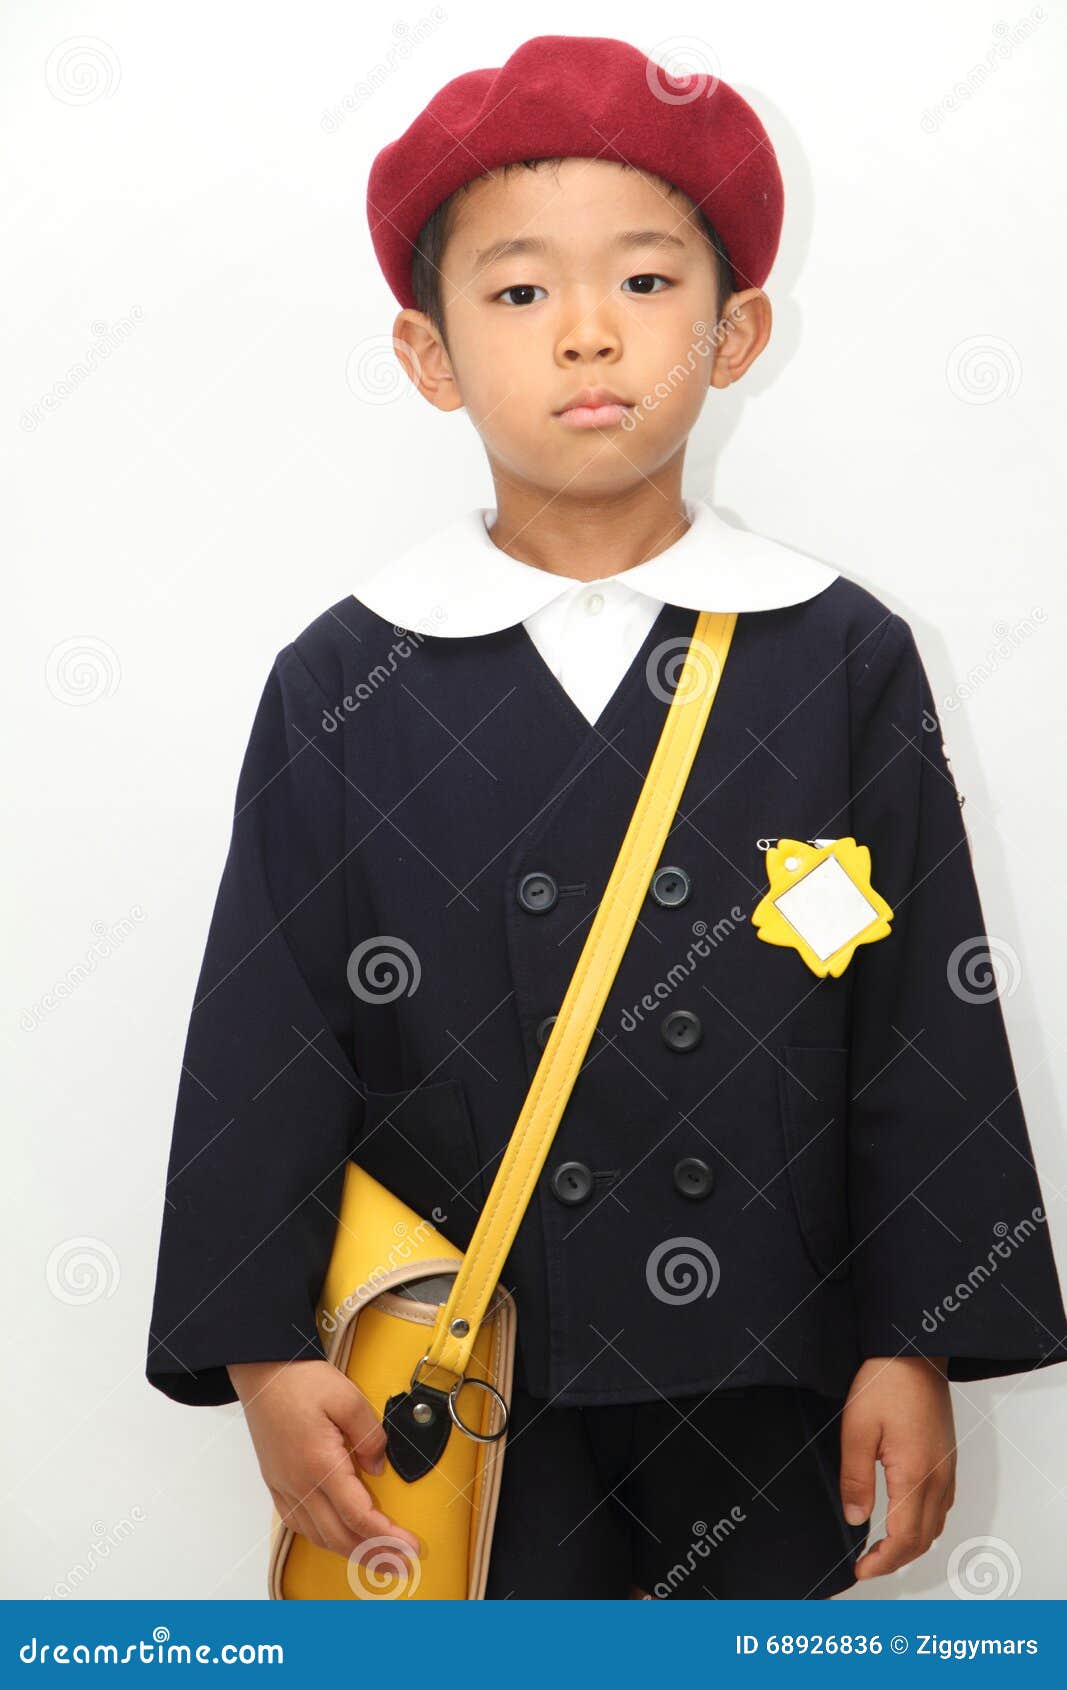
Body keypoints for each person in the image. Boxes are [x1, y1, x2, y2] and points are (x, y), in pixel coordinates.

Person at [146, 35, 1067, 1599]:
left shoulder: (837, 652)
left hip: (772, 1356)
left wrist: (918, 1337)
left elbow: (923, 1017)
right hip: (466, 1377)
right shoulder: (351, 672)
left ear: (736, 329)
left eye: (645, 283)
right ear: (428, 355)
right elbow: (268, 1024)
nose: (586, 333)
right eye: (517, 293)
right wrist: (252, 1346)